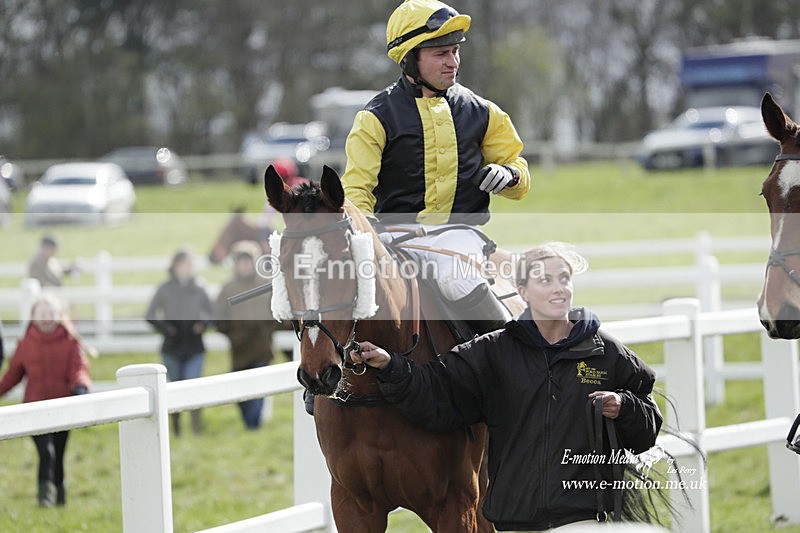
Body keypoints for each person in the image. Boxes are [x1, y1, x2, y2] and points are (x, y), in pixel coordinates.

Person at [350, 243, 663, 531]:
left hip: (584, 520)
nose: (559, 289)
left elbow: (647, 421)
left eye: (564, 279)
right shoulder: (492, 352)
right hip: (516, 521)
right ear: (522, 291)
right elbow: (436, 389)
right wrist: (390, 365)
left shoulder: (606, 351)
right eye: (546, 281)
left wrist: (624, 406)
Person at [341, 0, 531, 335]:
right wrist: (371, 236)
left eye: (455, 51)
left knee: (456, 279)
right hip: (393, 237)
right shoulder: (374, 118)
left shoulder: (483, 111)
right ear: (410, 58)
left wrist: (510, 175)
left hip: (459, 237)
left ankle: (515, 354)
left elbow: (517, 167)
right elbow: (356, 191)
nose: (453, 62)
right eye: (441, 53)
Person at [0, 294, 92, 507]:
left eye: (51, 313)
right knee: (46, 452)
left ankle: (60, 494)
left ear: (59, 316)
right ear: (32, 317)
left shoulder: (70, 343)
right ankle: (44, 498)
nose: (46, 318)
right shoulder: (26, 344)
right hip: (34, 409)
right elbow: (12, 376)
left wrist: (81, 386)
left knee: (58, 454)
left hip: (62, 409)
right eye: (41, 314)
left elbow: (79, 369)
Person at [146, 248, 213, 436]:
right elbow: (150, 315)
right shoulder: (164, 289)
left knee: (193, 386)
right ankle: (175, 430)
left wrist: (203, 325)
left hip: (194, 346)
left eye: (190, 264)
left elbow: (213, 313)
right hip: (172, 346)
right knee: (173, 388)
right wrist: (166, 329)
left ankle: (196, 429)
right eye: (183, 264)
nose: (187, 268)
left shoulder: (199, 288)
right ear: (175, 266)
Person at [215, 240, 279, 430]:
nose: (245, 265)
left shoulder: (266, 285)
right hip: (239, 348)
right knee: (240, 391)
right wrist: (232, 332)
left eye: (248, 261)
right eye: (241, 261)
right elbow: (219, 317)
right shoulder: (228, 288)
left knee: (258, 388)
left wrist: (268, 328)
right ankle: (248, 420)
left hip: (261, 347)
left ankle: (253, 425)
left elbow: (278, 313)